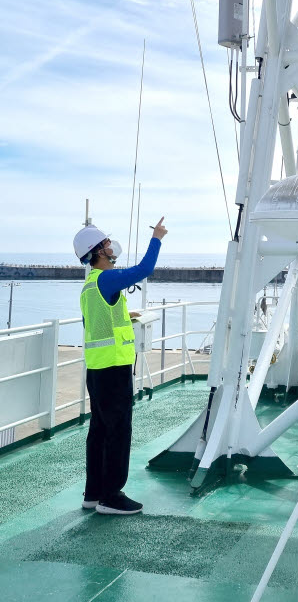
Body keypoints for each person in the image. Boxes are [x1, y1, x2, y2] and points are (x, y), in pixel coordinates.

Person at [72, 217, 168, 515]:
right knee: (118, 431)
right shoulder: (106, 279)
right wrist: (157, 238)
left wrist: (128, 314)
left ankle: (94, 492)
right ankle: (111, 496)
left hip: (98, 370)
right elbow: (144, 270)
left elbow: (99, 322)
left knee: (99, 430)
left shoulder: (90, 286)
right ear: (98, 252)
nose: (111, 247)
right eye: (106, 244)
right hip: (115, 370)